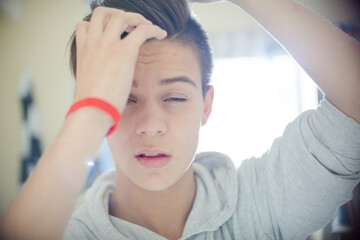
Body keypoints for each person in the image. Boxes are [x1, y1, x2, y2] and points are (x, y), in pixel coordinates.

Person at [1, 0, 359, 239]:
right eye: (125, 98)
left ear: (206, 106)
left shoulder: (259, 202)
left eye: (174, 97)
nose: (151, 125)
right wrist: (91, 109)